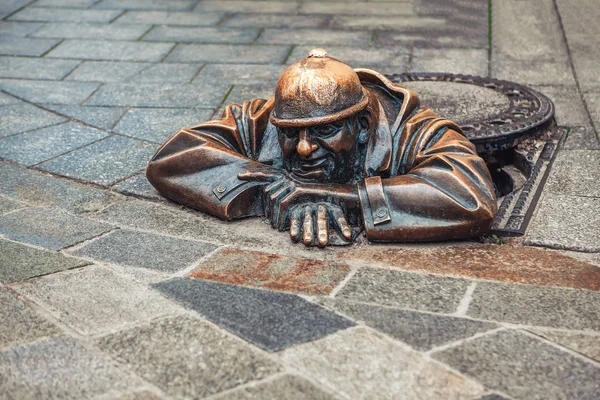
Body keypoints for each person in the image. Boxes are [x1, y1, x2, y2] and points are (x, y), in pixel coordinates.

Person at [146, 49, 497, 247]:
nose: (303, 148)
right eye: (291, 133)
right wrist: (269, 187)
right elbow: (172, 157)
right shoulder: (268, 116)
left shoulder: (416, 129)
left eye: (324, 131)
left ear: (361, 127)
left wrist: (338, 196)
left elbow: (471, 197)